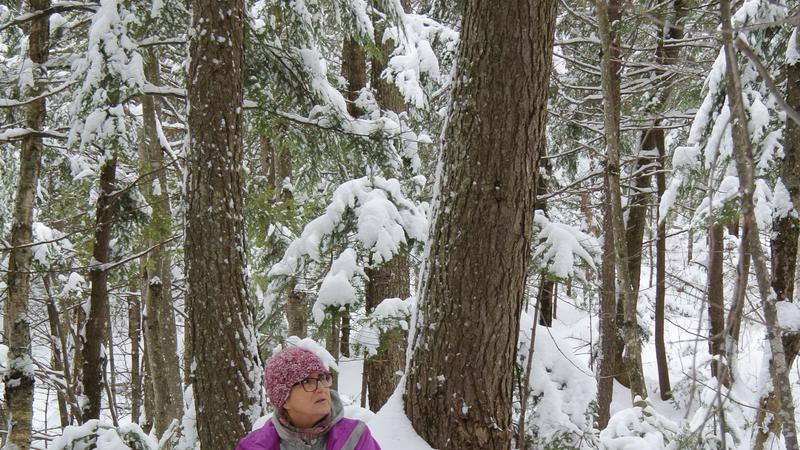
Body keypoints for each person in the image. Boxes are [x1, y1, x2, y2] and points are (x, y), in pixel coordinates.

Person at [236, 346, 381, 450]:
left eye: (322, 378)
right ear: (284, 399)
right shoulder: (254, 446)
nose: (321, 388)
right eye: (306, 381)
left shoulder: (354, 437)